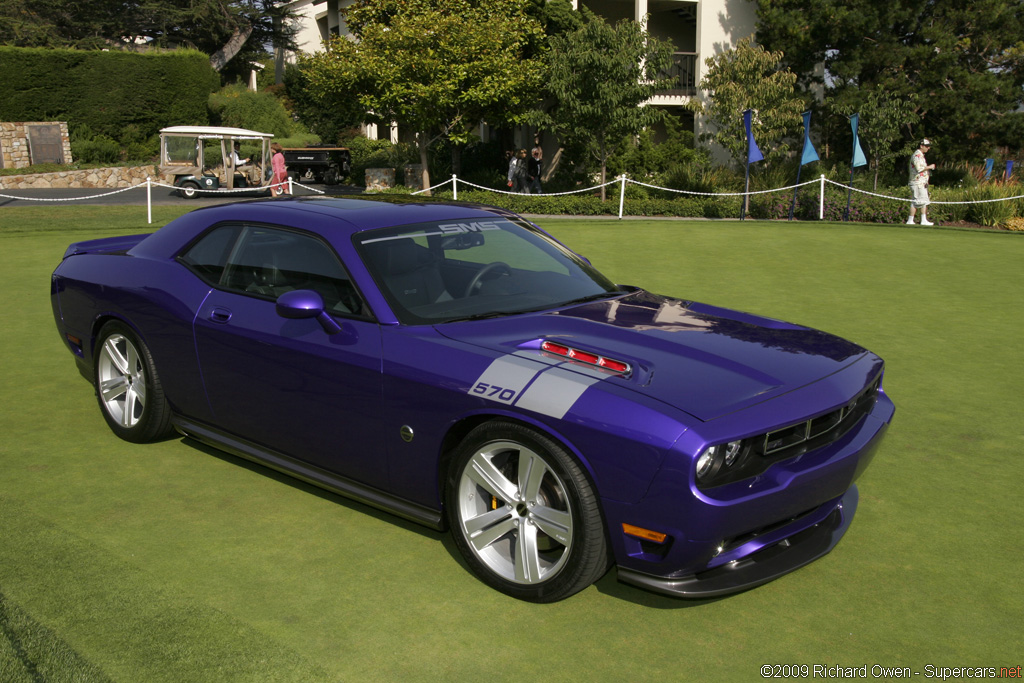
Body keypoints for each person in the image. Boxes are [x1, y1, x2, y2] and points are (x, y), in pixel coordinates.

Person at [907, 138, 935, 225]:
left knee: (923, 201)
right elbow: (919, 169)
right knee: (917, 201)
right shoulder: (917, 156)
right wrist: (930, 167)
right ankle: (910, 220)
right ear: (921, 146)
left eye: (928, 146)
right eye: (926, 146)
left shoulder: (921, 155)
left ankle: (923, 220)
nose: (928, 148)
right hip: (917, 182)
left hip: (921, 182)